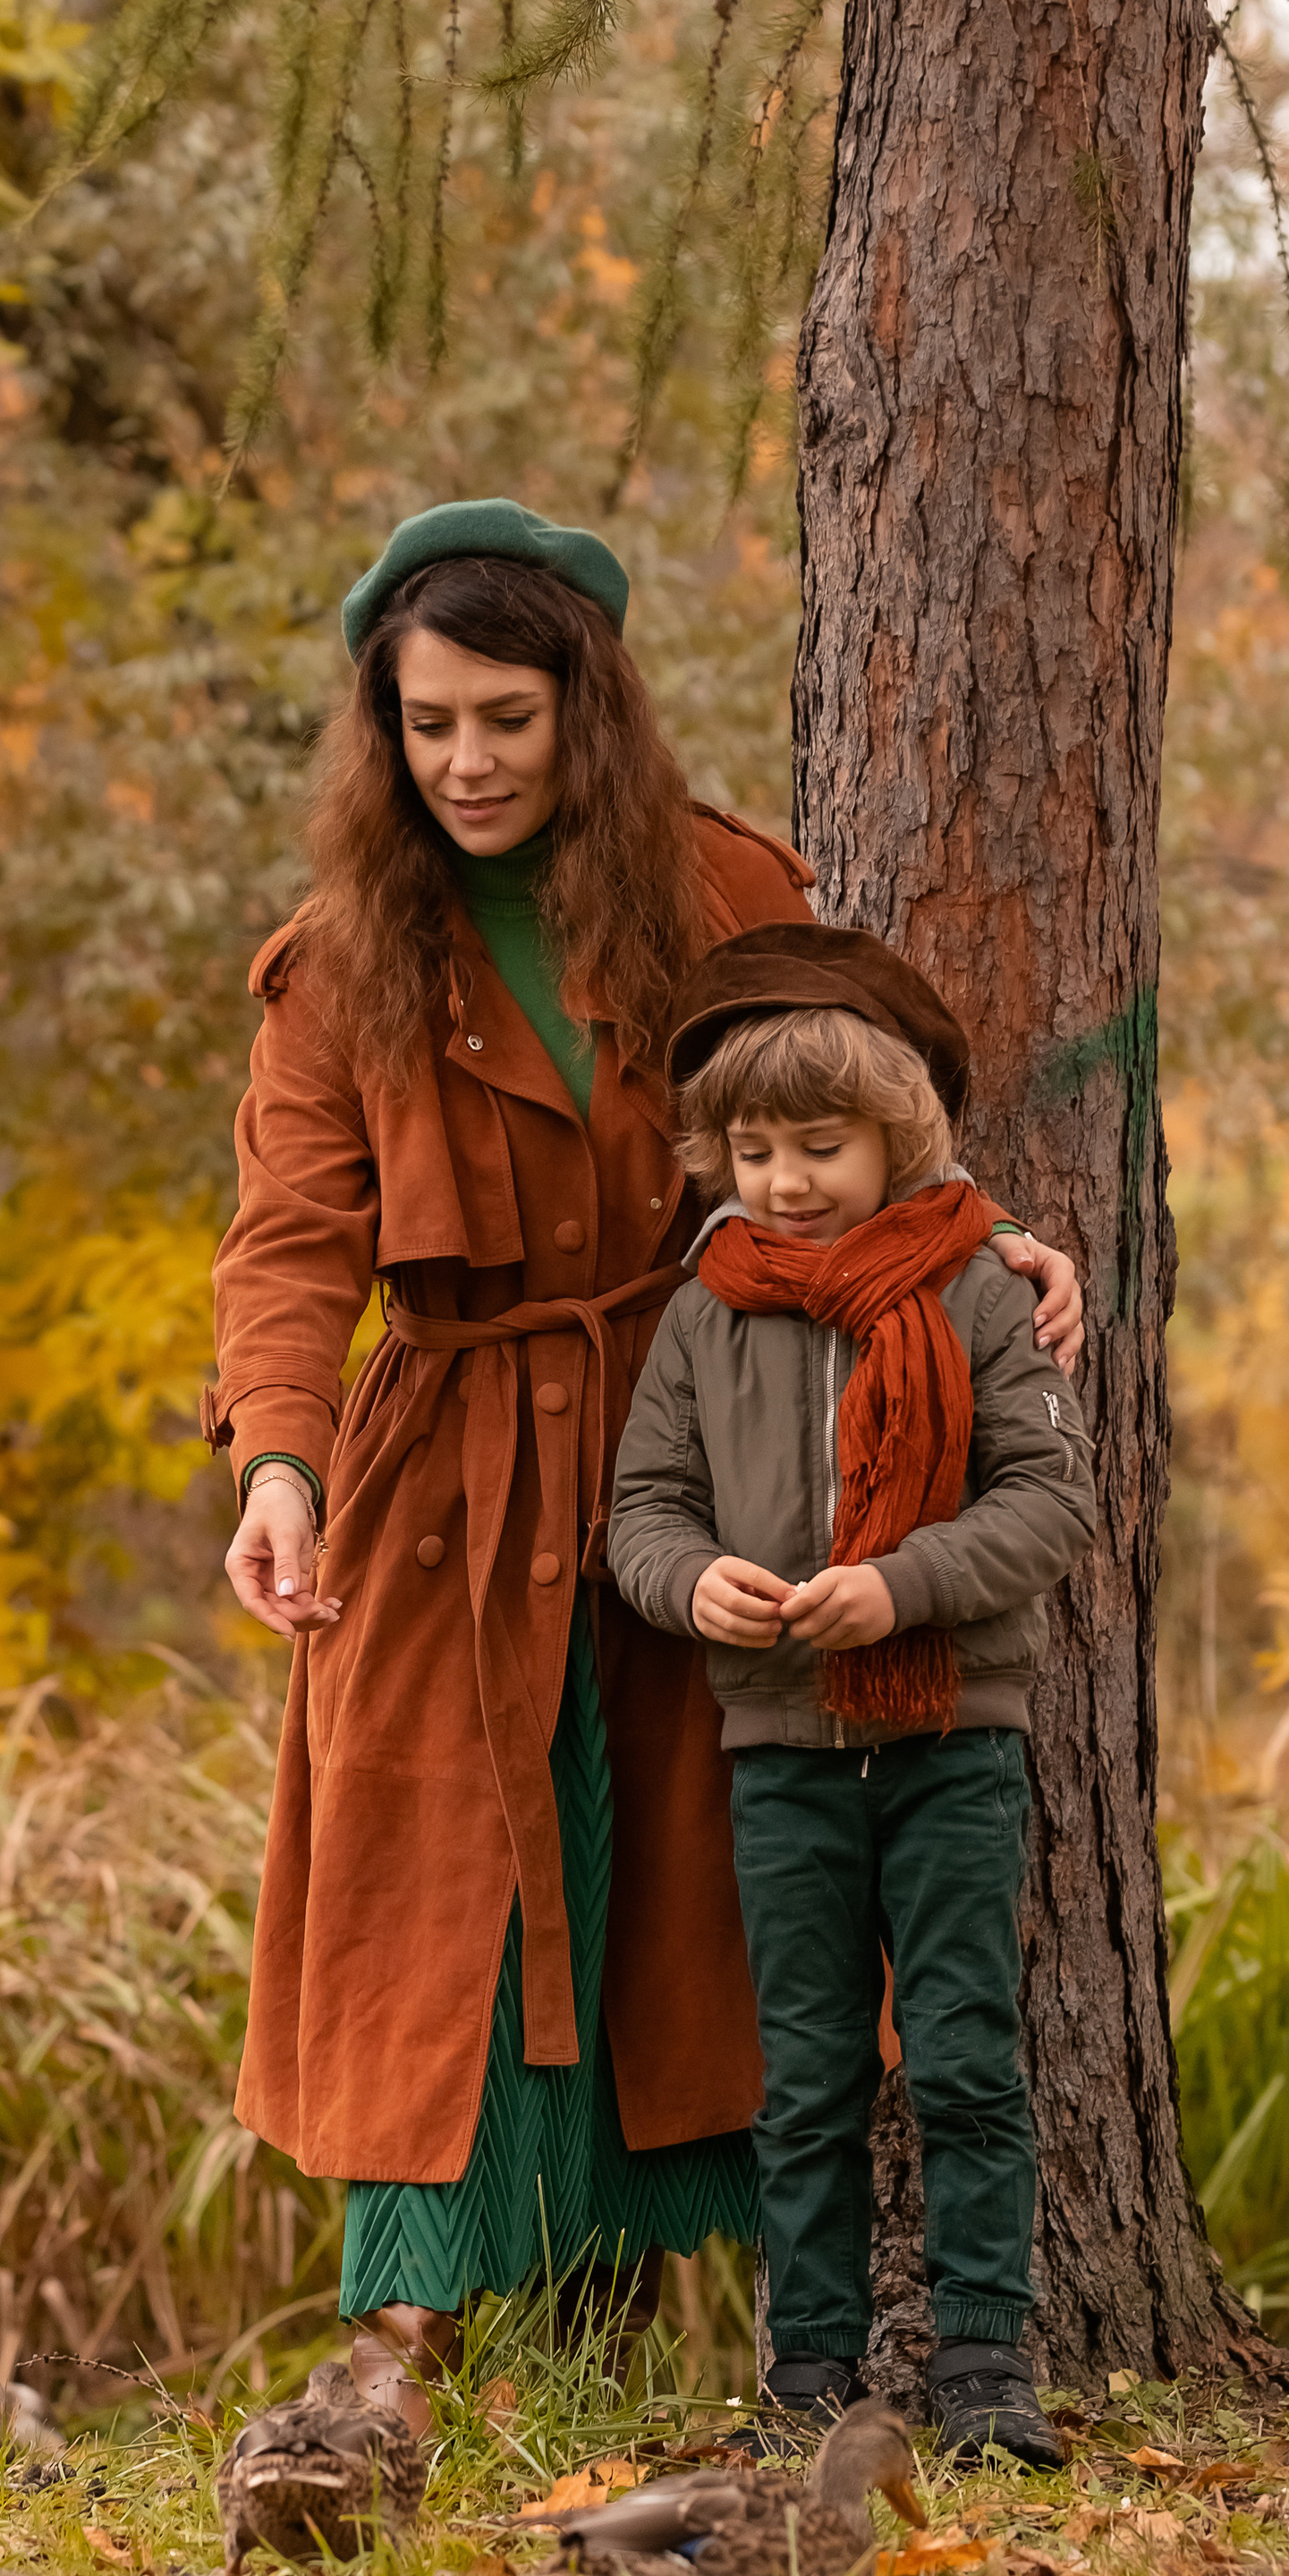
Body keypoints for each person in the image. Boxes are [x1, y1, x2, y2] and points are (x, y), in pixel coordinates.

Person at [208, 501, 1085, 2430]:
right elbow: (289, 1244)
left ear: (583, 708)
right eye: (427, 724)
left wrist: (986, 1244)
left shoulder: (721, 891)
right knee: (438, 1891)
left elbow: (850, 1116)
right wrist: (277, 1465)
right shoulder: (339, 964)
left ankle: (615, 2321)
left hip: (714, 1439)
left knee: (685, 1886)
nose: (466, 763)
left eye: (506, 719)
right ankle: (401, 2352)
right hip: (444, 1486)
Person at [606, 924, 1096, 2466]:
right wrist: (692, 1581)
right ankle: (808, 2371)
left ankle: (985, 2362)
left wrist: (904, 1585)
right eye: (755, 1152)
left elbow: (1050, 1500)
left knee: (962, 2055)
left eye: (822, 1148)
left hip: (952, 1737)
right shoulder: (706, 1314)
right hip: (784, 1747)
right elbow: (644, 1510)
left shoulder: (980, 1294)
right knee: (808, 2071)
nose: (788, 1182)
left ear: (896, 1138)